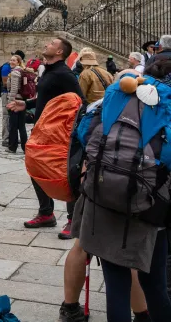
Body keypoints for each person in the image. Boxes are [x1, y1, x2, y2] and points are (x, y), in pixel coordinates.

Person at [68, 60, 171, 322]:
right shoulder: (165, 104)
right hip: (148, 207)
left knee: (116, 286)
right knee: (155, 284)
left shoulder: (114, 98)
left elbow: (83, 133)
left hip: (104, 198)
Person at [7, 37, 84, 234]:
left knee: (66, 175)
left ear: (59, 52)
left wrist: (67, 128)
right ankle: (46, 213)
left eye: (51, 43)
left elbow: (80, 101)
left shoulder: (65, 74)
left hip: (60, 135)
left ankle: (72, 220)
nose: (46, 44)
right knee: (36, 169)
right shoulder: (48, 70)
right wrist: (27, 104)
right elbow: (45, 97)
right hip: (42, 131)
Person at [6, 54, 28, 154]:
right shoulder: (22, 71)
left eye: (14, 60)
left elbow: (14, 89)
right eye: (11, 60)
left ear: (18, 62)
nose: (11, 62)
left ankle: (12, 147)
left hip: (15, 101)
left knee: (13, 126)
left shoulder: (15, 73)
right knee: (21, 126)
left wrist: (10, 102)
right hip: (22, 100)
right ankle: (25, 147)